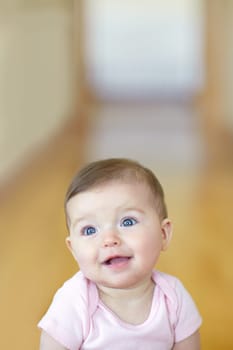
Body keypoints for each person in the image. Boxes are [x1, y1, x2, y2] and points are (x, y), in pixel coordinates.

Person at [38, 158, 202, 350]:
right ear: (73, 249)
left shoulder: (173, 297)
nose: (109, 239)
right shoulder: (74, 301)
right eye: (90, 230)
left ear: (163, 234)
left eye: (127, 222)